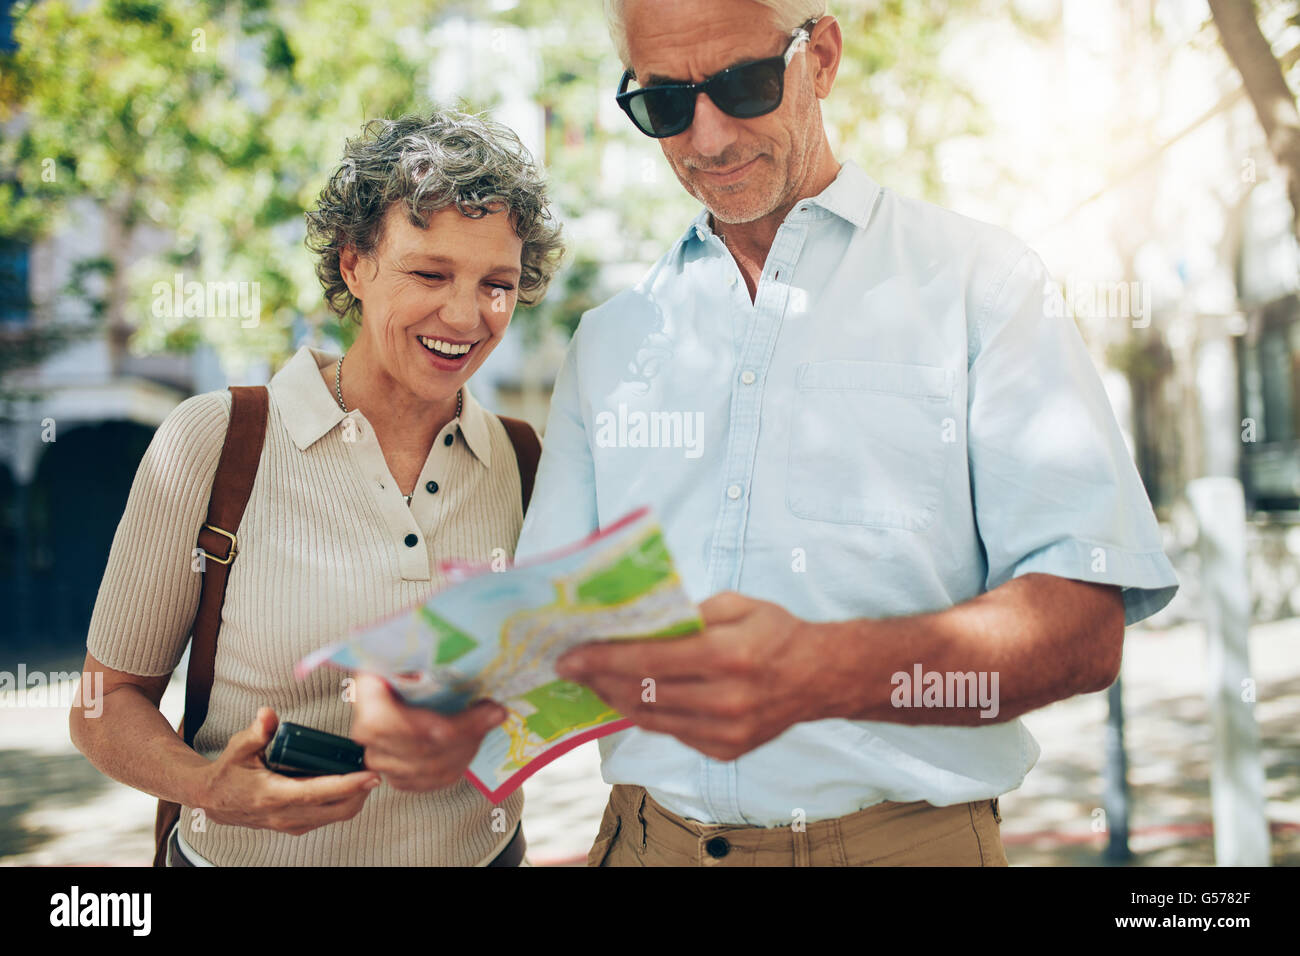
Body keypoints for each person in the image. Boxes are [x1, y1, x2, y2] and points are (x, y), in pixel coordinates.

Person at [511, 0, 1181, 866]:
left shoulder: (984, 285)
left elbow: (1082, 631)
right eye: (665, 106)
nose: (707, 140)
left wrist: (817, 671)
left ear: (819, 57)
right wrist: (418, 720)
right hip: (646, 844)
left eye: (741, 84)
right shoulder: (611, 339)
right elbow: (550, 638)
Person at [69, 108, 564, 866]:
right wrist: (209, 788)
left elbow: (561, 687)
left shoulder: (525, 460)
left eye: (496, 284)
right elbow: (105, 708)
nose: (465, 316)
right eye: (429, 273)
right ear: (353, 264)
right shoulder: (217, 442)